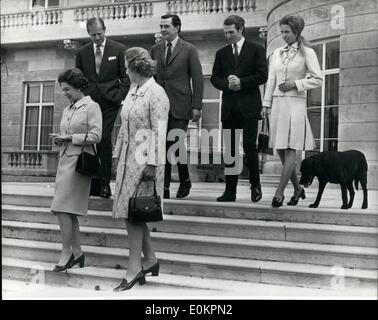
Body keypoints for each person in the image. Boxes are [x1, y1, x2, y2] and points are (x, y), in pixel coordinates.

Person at [112, 48, 169, 291]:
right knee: (133, 211)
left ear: (136, 67)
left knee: (134, 214)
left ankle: (134, 268)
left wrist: (153, 165)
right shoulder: (134, 90)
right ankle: (151, 260)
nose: (125, 72)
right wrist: (116, 155)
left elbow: (159, 131)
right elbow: (123, 126)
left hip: (145, 160)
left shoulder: (156, 93)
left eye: (127, 67)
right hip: (127, 159)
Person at [262, 15, 323, 208]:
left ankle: (279, 193)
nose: (283, 35)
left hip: (295, 105)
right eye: (281, 32)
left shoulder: (308, 52)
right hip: (278, 106)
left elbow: (318, 79)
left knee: (290, 150)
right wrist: (266, 104)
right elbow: (271, 80)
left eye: (287, 32)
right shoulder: (277, 53)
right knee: (280, 148)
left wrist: (295, 84)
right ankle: (298, 189)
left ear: (297, 32)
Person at [211, 15, 268, 202]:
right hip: (229, 108)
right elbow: (215, 78)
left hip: (250, 107)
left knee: (250, 147)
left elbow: (262, 75)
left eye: (231, 32)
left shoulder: (257, 49)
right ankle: (230, 191)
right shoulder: (221, 53)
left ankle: (255, 186)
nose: (228, 36)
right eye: (225, 32)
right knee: (231, 151)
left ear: (241, 29)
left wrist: (241, 83)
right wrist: (227, 85)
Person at [50, 68, 102, 272]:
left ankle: (66, 252)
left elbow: (97, 136)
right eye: (63, 90)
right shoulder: (68, 109)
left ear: (79, 87)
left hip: (79, 164)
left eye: (67, 89)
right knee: (68, 212)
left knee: (61, 208)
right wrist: (60, 139)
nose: (65, 93)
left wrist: (71, 138)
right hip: (64, 163)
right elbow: (67, 134)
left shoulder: (92, 106)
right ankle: (78, 253)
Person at [75, 17, 130, 198]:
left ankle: (105, 184)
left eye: (100, 34)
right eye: (93, 35)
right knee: (90, 140)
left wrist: (118, 96)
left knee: (103, 139)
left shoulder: (119, 49)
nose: (97, 38)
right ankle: (93, 183)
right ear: (88, 34)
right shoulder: (82, 52)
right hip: (90, 103)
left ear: (105, 30)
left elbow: (125, 77)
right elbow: (78, 79)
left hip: (109, 103)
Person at [150, 14, 204, 199]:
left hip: (181, 104)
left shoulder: (189, 49)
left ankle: (184, 180)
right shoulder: (155, 49)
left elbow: (197, 79)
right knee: (161, 144)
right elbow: (152, 78)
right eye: (161, 26)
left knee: (175, 142)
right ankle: (163, 186)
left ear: (177, 28)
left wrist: (197, 106)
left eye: (166, 26)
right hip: (159, 105)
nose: (163, 29)